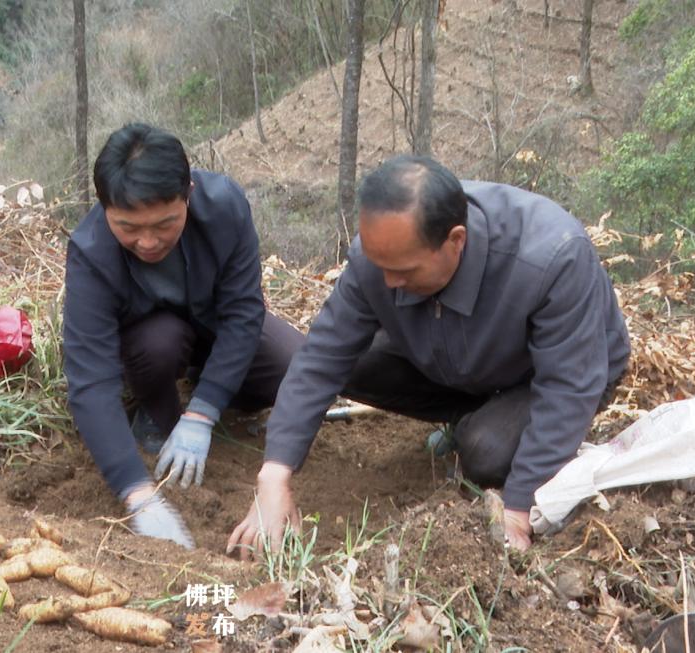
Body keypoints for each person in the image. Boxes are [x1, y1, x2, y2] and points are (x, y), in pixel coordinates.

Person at [227, 155, 630, 557]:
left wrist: (519, 505)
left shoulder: (553, 256)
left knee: (485, 452)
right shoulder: (380, 256)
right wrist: (274, 476)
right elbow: (321, 358)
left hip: (556, 374)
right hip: (458, 358)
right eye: (379, 265)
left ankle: (483, 424)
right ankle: (473, 410)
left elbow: (568, 386)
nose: (388, 282)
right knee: (355, 363)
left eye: (403, 271)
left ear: (456, 240)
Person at [64, 123, 305, 549]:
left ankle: (205, 393)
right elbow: (90, 382)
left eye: (165, 223)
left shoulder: (225, 208)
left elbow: (244, 313)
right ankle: (155, 412)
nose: (148, 241)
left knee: (292, 365)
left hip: (211, 325)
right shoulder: (90, 252)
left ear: (188, 193)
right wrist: (135, 492)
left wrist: (204, 412)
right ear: (104, 210)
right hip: (150, 344)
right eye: (128, 227)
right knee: (159, 343)